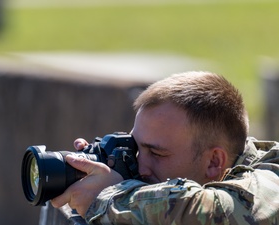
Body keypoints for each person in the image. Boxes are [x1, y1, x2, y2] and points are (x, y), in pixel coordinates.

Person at [51, 71, 279, 224]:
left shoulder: (269, 182)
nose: (140, 167)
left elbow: (209, 212)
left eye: (157, 153)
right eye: (136, 148)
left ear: (214, 162)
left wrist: (106, 198)